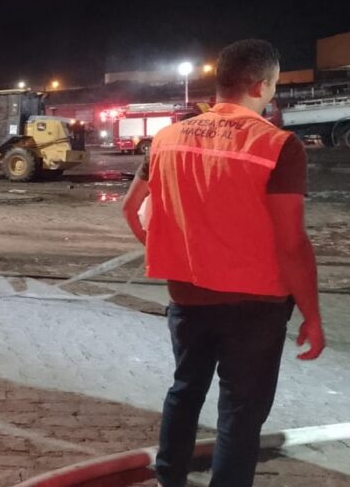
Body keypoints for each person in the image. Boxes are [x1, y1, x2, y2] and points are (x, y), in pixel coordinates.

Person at [122, 39, 325, 487]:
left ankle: (169, 478)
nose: (272, 94)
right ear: (258, 85)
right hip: (255, 305)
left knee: (184, 391)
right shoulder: (277, 144)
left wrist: (164, 249)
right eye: (273, 85)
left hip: (186, 296)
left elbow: (131, 209)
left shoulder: (167, 138)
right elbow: (292, 243)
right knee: (240, 412)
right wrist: (312, 315)